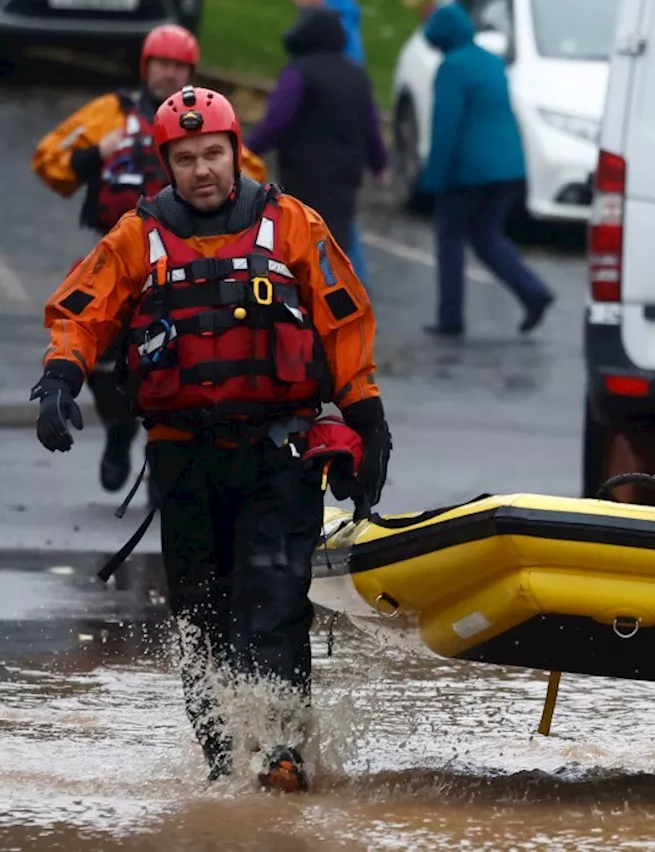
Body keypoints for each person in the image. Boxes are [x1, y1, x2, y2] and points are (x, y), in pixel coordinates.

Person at [30, 85, 391, 792]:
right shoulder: (139, 235)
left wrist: (368, 422)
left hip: (278, 454)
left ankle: (283, 751)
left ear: (236, 153)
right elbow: (84, 309)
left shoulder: (291, 225)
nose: (201, 170)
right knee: (201, 617)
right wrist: (59, 381)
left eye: (213, 154)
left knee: (272, 598)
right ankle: (226, 765)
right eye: (186, 157)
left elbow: (344, 320)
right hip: (184, 459)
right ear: (168, 164)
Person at [31, 24, 267, 498]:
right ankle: (119, 433)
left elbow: (253, 179)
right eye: (161, 63)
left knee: (183, 361)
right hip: (117, 257)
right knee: (100, 360)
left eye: (178, 65)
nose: (169, 72)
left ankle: (167, 466)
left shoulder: (209, 128)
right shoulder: (111, 115)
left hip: (182, 261)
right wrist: (94, 154)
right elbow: (48, 161)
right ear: (146, 67)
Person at [418, 1, 555, 337]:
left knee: (450, 238)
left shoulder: (452, 67)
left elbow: (446, 126)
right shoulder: (491, 62)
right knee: (486, 235)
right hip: (507, 167)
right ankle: (533, 291)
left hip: (468, 171)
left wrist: (433, 176)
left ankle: (451, 318)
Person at [245, 4, 388, 287]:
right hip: (345, 178)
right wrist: (379, 164)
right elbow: (371, 126)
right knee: (334, 245)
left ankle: (307, 312)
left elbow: (276, 122)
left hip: (305, 176)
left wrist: (245, 150)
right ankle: (342, 309)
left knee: (301, 245)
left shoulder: (299, 72)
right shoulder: (357, 76)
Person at [287, 0, 374, 286]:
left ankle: (353, 291)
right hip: (338, 158)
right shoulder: (332, 25)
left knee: (334, 234)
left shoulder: (334, 31)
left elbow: (355, 100)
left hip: (326, 157)